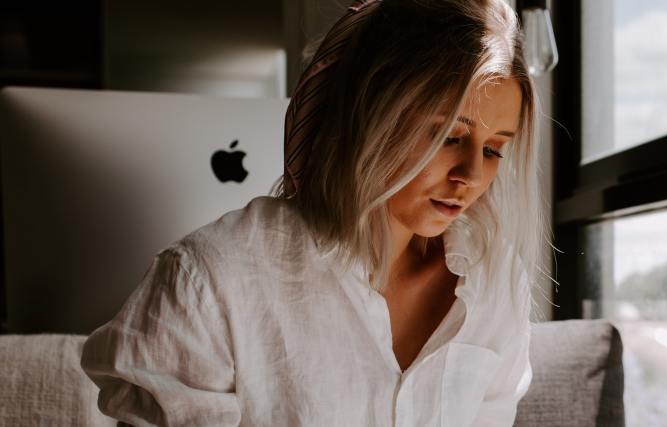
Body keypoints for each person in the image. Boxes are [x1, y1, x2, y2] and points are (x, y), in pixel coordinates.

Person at [79, 0, 546, 425]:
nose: (470, 174)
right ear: (372, 115)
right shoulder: (214, 279)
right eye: (448, 137)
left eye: (494, 150)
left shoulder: (497, 280)